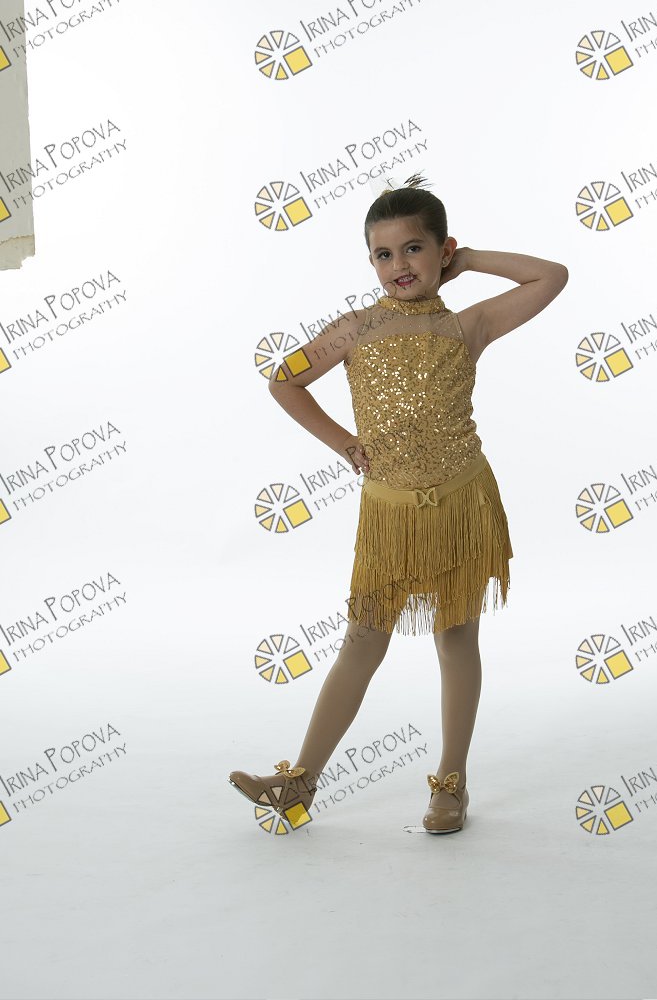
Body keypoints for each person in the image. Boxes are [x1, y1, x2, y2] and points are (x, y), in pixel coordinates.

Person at [229, 173, 568, 833]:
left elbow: (551, 276)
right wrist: (344, 443)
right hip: (389, 512)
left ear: (443, 251)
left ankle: (451, 784)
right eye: (383, 254)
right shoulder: (356, 329)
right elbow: (284, 381)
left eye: (414, 248)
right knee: (362, 640)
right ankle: (299, 781)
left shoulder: (467, 325)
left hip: (461, 503)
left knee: (455, 637)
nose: (398, 265)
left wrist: (471, 260)